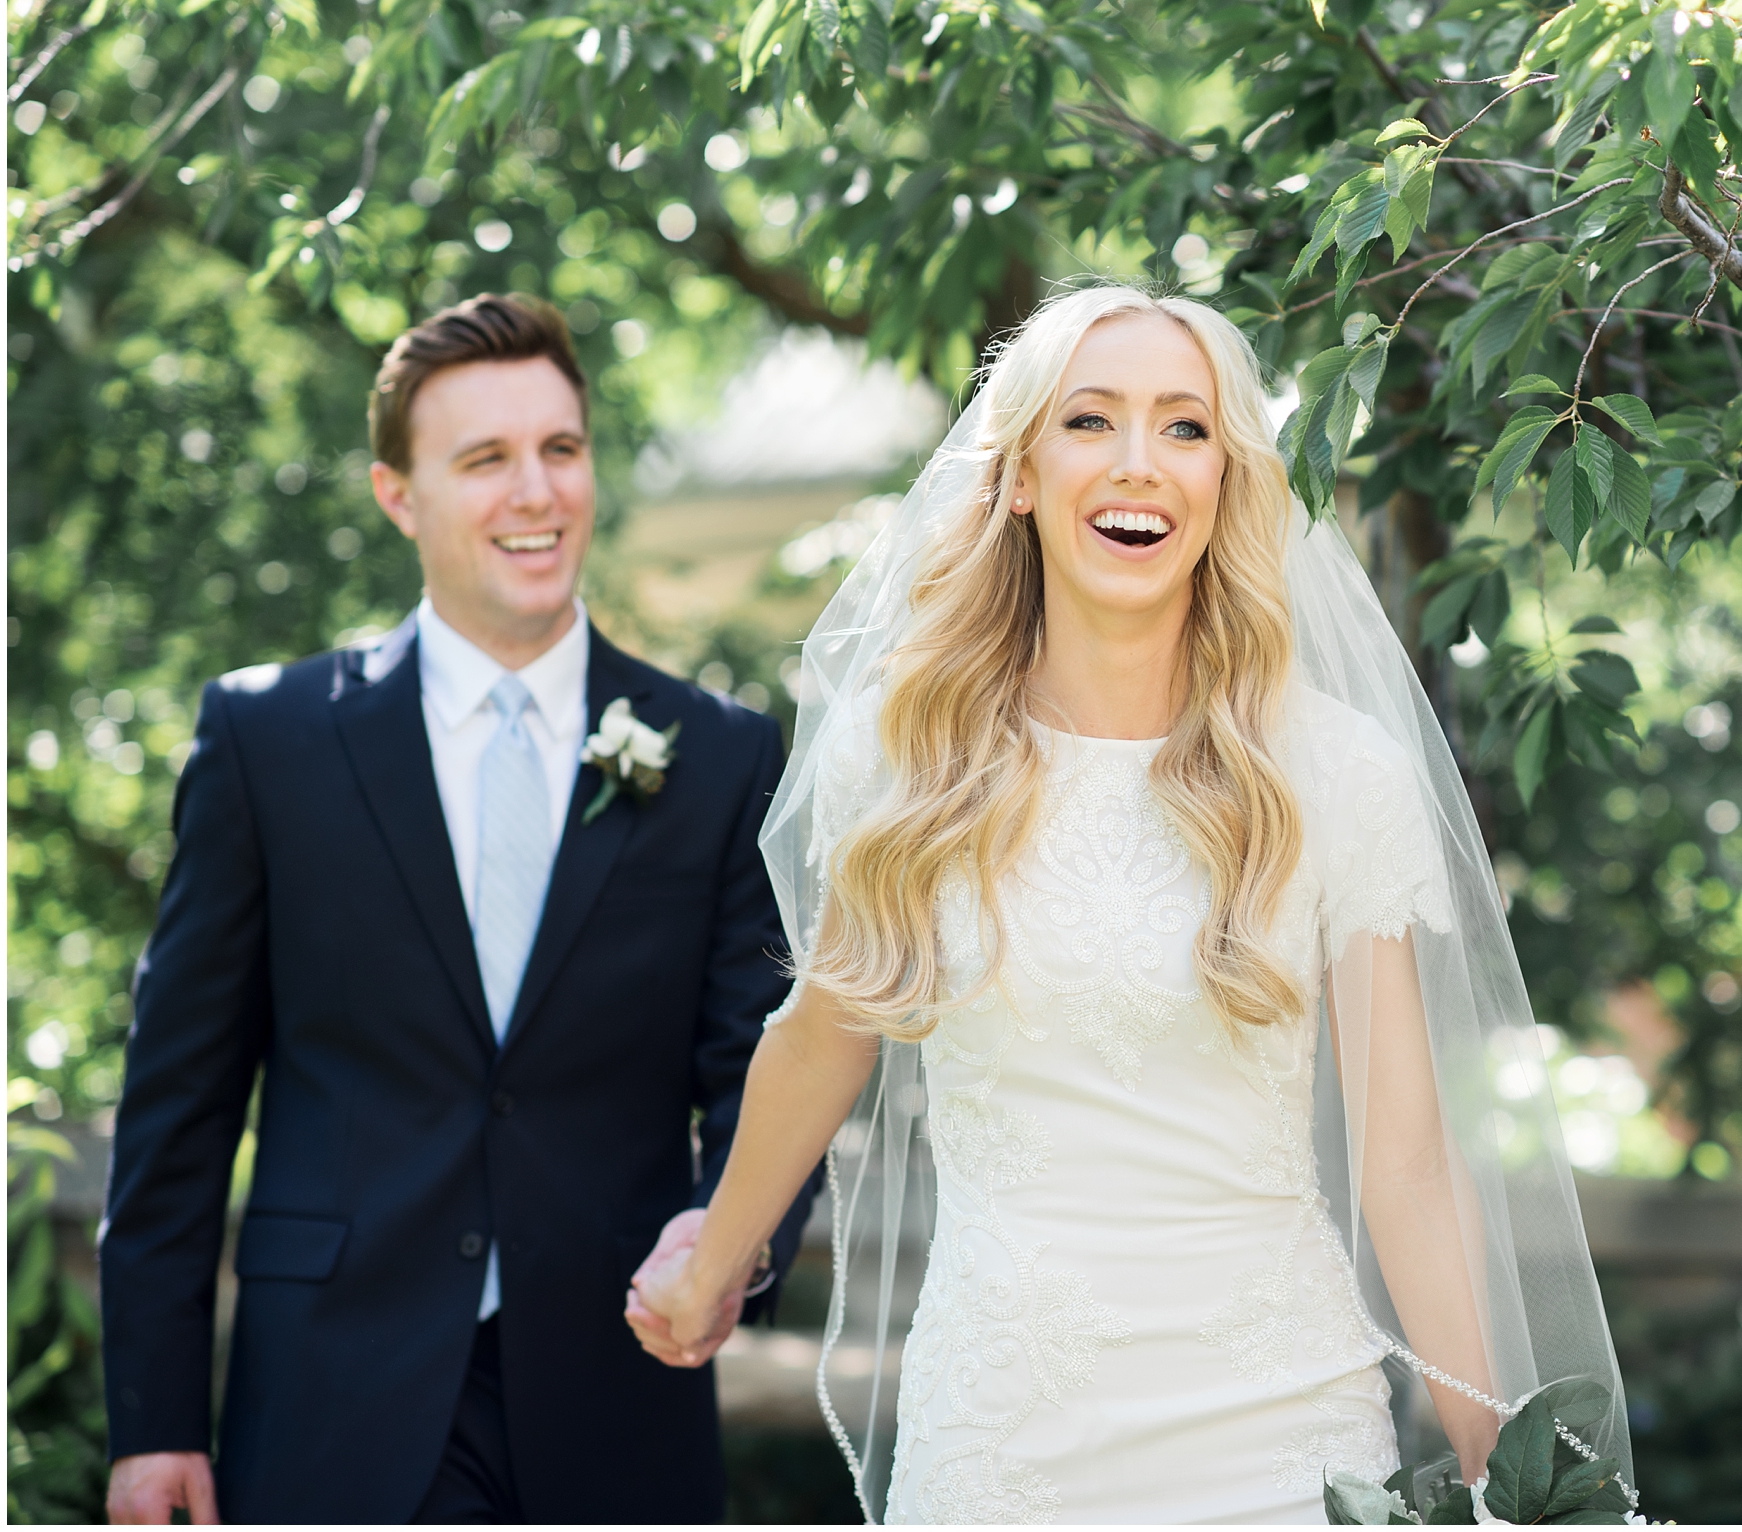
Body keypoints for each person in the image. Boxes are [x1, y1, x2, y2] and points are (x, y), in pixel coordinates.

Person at [626, 284, 1630, 1524]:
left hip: (1281, 1421)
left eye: (1186, 428)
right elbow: (824, 1034)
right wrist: (710, 1266)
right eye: (1091, 421)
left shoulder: (1334, 772)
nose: (1140, 464)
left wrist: (1505, 1484)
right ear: (1024, 475)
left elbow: (1409, 1163)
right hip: (1004, 1425)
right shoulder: (908, 752)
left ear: (1227, 481)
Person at [99, 293, 817, 1524]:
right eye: (484, 460)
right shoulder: (268, 740)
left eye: (561, 449)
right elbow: (181, 1104)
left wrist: (729, 1240)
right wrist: (154, 1423)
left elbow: (764, 1067)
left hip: (618, 1387)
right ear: (399, 495)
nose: (534, 493)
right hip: (335, 1389)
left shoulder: (720, 756)